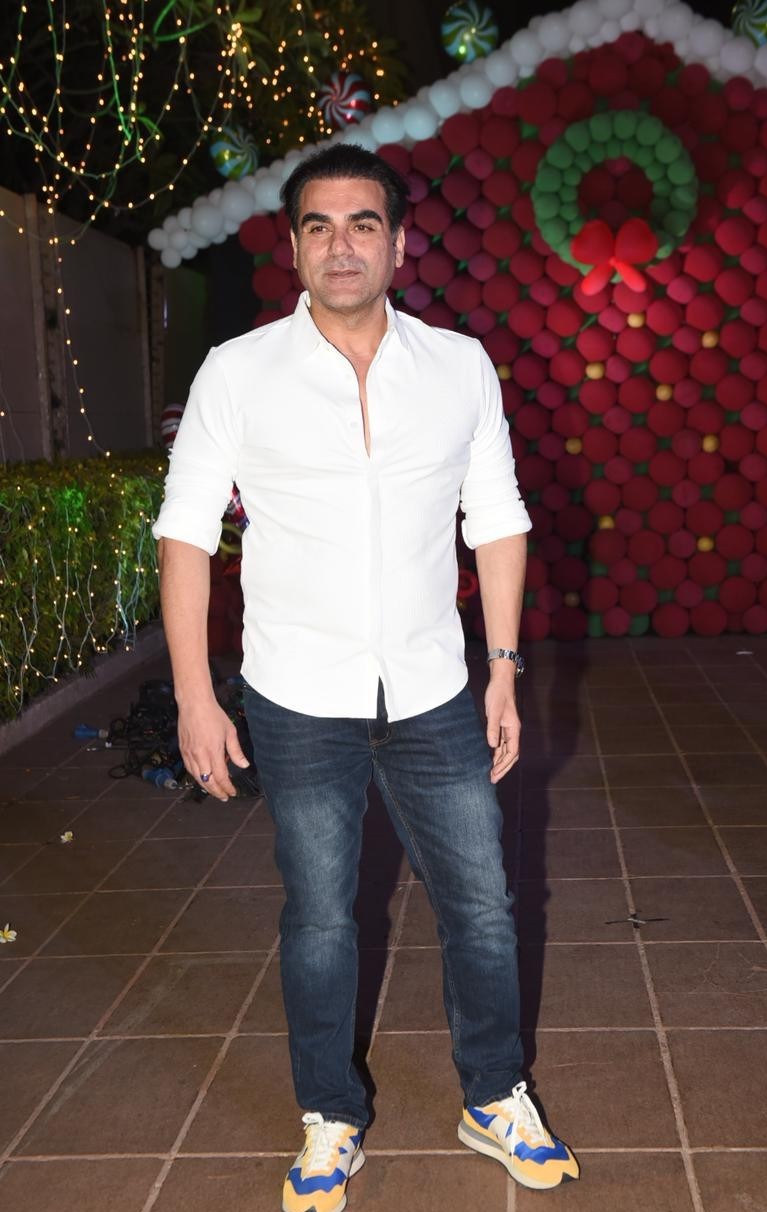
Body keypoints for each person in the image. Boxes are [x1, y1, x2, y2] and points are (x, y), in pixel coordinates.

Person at [153, 142, 579, 1211]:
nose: (341, 245)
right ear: (295, 247)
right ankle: (330, 1114)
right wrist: (196, 697)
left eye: (362, 224)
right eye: (319, 226)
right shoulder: (237, 373)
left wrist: (503, 668)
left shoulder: (459, 366)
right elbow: (185, 534)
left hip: (434, 686)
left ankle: (494, 1095)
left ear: (397, 243)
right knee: (322, 917)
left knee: (483, 905)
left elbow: (498, 518)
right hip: (298, 694)